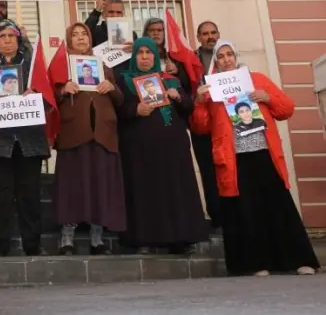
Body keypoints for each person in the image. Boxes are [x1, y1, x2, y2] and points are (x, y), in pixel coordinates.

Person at [191, 40, 319, 276]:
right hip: (234, 159)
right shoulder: (211, 89)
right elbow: (200, 128)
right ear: (216, 62)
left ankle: (298, 260)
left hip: (264, 153)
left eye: (230, 54)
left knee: (279, 207)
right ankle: (255, 264)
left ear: (236, 57)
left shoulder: (257, 79)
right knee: (245, 212)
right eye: (221, 56)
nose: (227, 59)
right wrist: (199, 103)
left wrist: (267, 97)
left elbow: (287, 109)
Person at [117, 37, 209, 254]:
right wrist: (134, 110)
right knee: (144, 193)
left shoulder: (170, 80)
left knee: (175, 191)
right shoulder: (123, 81)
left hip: (173, 148)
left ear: (156, 56)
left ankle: (180, 239)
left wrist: (178, 97)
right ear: (134, 56)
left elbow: (188, 108)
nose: (145, 57)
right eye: (140, 53)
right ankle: (144, 240)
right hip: (139, 149)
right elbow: (116, 111)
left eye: (149, 53)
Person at [0, 20, 48, 257]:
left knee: (30, 196)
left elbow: (50, 98)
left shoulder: (32, 66)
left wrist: (36, 94)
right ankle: (0, 243)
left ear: (18, 40)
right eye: (2, 36)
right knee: (0, 197)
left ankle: (33, 244)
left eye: (11, 36)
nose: (7, 40)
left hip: (28, 141)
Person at [54, 23, 126, 255]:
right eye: (74, 35)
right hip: (74, 133)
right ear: (69, 40)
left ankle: (98, 238)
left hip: (102, 134)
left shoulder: (102, 64)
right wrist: (63, 89)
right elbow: (47, 95)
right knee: (71, 185)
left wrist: (111, 86)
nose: (80, 38)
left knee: (100, 185)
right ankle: (67, 238)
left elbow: (120, 99)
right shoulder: (61, 65)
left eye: (84, 34)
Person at [191, 20, 222, 227]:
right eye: (205, 34)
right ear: (198, 37)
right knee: (208, 171)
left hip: (226, 123)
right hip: (201, 124)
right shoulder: (190, 60)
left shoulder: (229, 57)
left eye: (213, 32)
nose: (210, 36)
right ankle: (217, 216)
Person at [143, 18, 191, 93]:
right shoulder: (142, 55)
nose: (156, 33)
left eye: (159, 30)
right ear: (146, 33)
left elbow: (187, 86)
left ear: (165, 33)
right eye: (152, 30)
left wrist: (177, 72)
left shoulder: (175, 56)